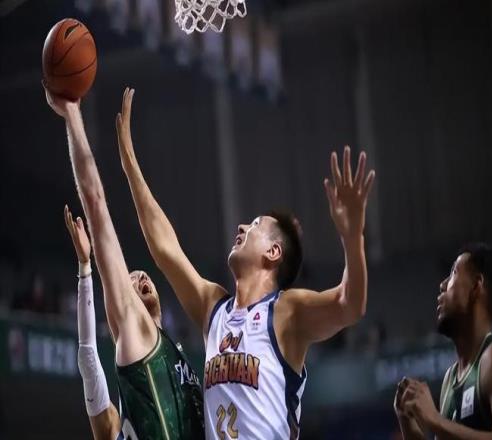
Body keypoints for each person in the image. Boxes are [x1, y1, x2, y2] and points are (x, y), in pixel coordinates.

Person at [116, 87, 375, 438]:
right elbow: (165, 249)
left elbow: (350, 304)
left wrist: (352, 237)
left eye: (254, 226)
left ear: (273, 253)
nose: (241, 227)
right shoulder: (214, 308)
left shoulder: (286, 312)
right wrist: (130, 165)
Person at [44, 85, 204, 439]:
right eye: (129, 279)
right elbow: (95, 202)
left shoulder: (174, 353)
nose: (140, 275)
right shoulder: (133, 331)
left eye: (141, 275)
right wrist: (72, 114)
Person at [395, 243, 492, 439]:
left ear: (476, 286)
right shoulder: (450, 379)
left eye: (453, 273)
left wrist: (434, 419)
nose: (442, 285)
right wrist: (408, 422)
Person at [64, 205, 121, 440]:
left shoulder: (176, 372)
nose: (141, 278)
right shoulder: (117, 423)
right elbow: (87, 357)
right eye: (134, 279)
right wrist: (85, 265)